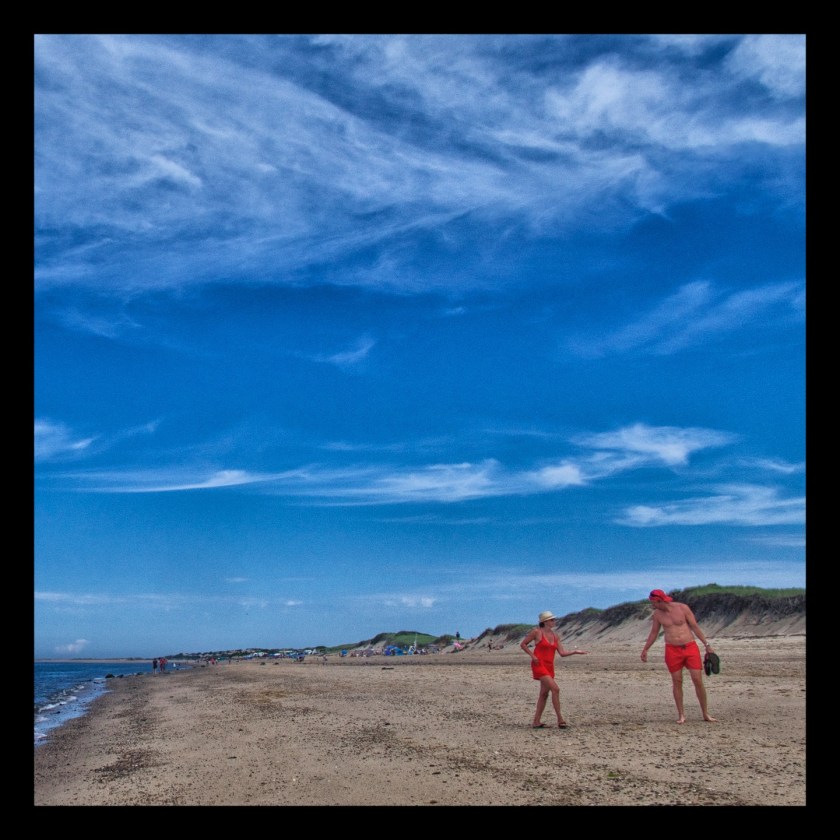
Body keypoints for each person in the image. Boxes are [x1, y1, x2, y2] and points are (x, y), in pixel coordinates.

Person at [640, 589, 718, 724]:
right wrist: (646, 649)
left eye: (653, 602)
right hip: (672, 650)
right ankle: (681, 715)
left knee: (697, 680)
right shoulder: (657, 614)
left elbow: (695, 626)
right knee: (677, 681)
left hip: (689, 647)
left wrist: (707, 644)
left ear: (660, 600)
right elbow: (654, 633)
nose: (652, 605)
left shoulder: (682, 608)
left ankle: (705, 713)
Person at [520, 610, 588, 728]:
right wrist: (533, 656)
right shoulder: (536, 632)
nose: (554, 621)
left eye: (554, 619)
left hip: (549, 666)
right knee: (555, 689)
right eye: (552, 620)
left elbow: (562, 653)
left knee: (544, 694)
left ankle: (536, 721)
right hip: (539, 664)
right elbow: (523, 644)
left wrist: (575, 652)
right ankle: (560, 719)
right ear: (545, 622)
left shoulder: (555, 635)